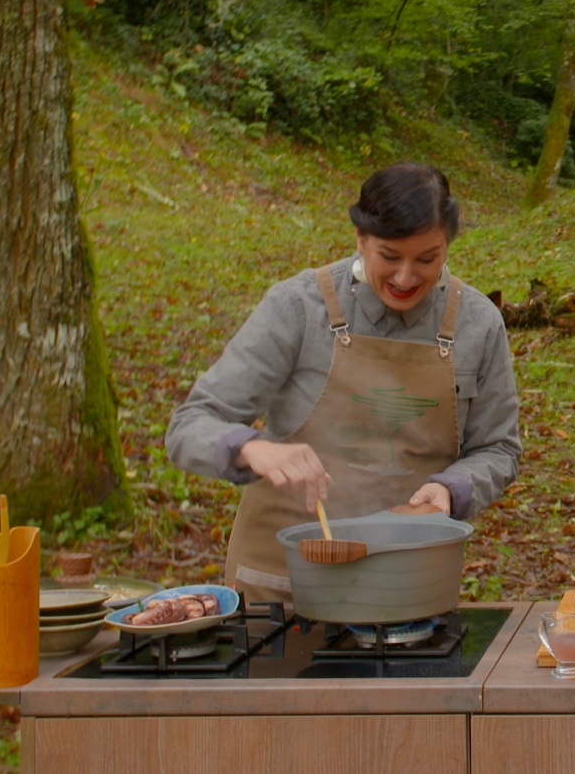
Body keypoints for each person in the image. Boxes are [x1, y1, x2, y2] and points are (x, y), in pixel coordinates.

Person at [167, 162, 520, 604]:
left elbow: (498, 448)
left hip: (406, 582)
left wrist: (452, 490)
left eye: (427, 259)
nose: (406, 278)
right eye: (389, 257)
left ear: (447, 246)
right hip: (280, 584)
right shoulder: (298, 308)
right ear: (360, 239)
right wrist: (251, 448)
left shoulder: (478, 323)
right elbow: (190, 425)